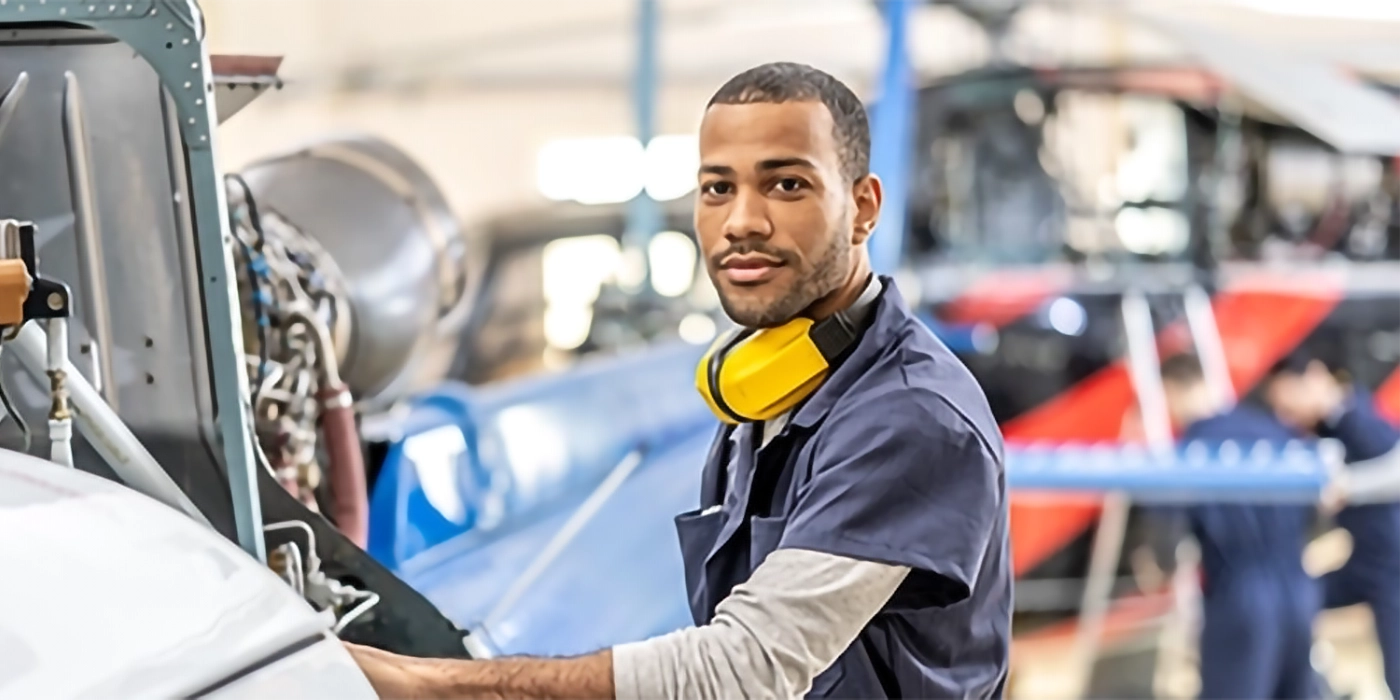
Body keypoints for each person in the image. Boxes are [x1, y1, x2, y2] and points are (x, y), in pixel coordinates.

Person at [345, 62, 1012, 699]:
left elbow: (742, 673)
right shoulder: (767, 389)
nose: (741, 221)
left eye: (786, 185)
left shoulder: (909, 418)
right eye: (718, 188)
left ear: (863, 208)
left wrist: (429, 685)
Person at [1156, 353, 1320, 700]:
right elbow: (1315, 510)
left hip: (1241, 597)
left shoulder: (1191, 450)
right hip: (1299, 591)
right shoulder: (1277, 432)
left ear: (1170, 391)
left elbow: (1166, 539)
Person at [1263, 352, 1400, 694]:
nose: (1286, 415)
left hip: (1391, 568)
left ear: (1314, 376)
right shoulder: (1327, 429)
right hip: (1366, 563)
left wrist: (1347, 486)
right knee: (1293, 599)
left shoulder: (1356, 418)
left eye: (1288, 401)